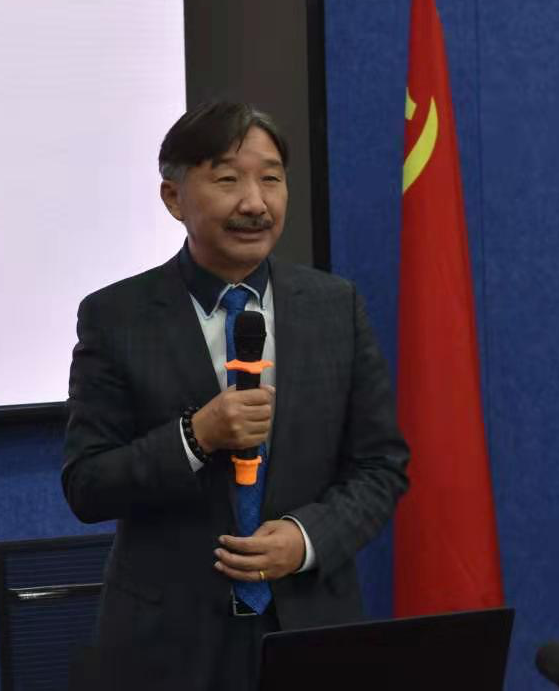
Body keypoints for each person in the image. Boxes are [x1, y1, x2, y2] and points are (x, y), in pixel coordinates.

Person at [62, 101, 410, 690]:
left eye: (270, 179)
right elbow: (87, 483)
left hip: (310, 628)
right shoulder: (116, 318)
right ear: (174, 198)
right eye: (227, 180)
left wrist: (306, 539)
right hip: (169, 645)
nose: (254, 202)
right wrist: (195, 437)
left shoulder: (334, 307)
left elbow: (381, 465)